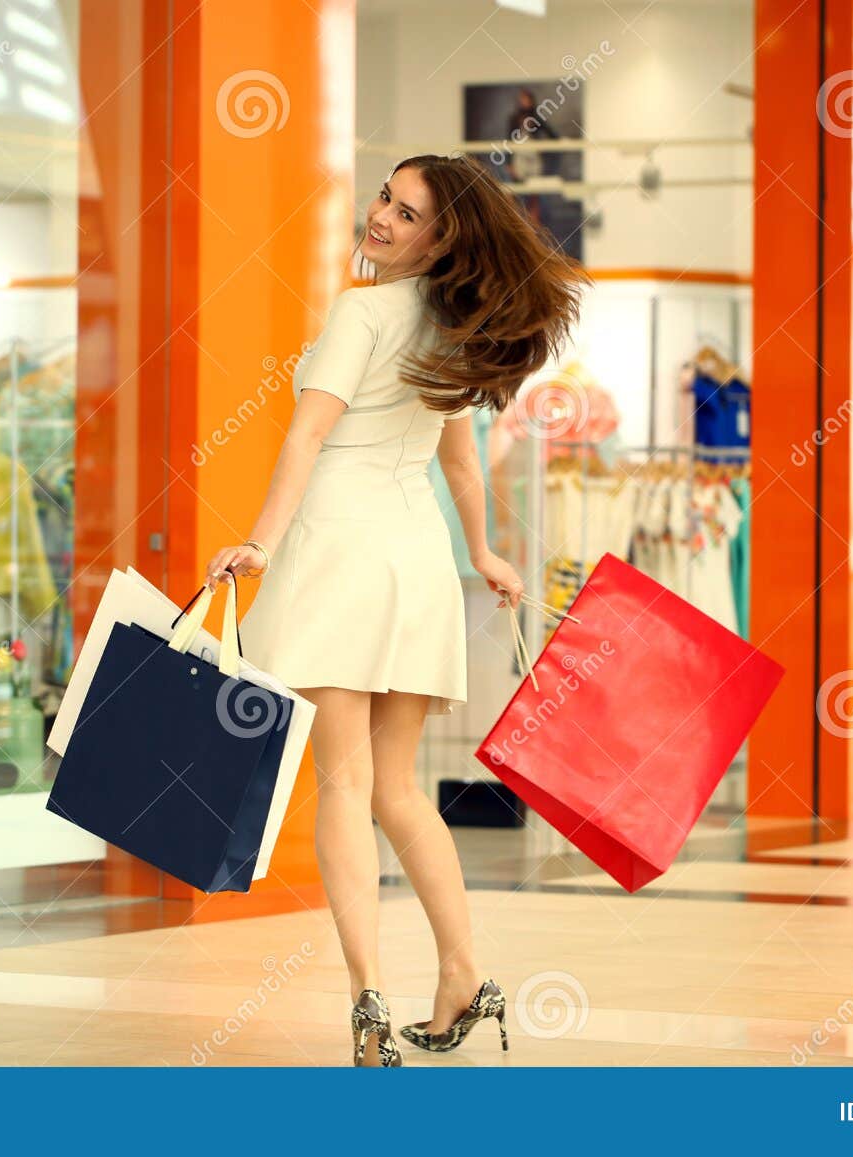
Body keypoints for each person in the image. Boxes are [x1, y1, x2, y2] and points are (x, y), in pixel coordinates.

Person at [204, 154, 587, 1066]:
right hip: (415, 560)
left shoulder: (362, 310)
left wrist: (258, 540)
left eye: (405, 212)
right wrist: (485, 551)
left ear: (441, 236)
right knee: (401, 790)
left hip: (338, 550)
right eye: (385, 196)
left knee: (341, 787)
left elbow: (307, 432)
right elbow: (457, 461)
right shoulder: (458, 327)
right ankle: (464, 973)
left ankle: (367, 997)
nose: (380, 216)